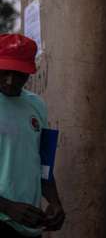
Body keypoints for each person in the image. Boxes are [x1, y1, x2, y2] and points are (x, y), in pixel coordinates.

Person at [0, 34, 65, 237]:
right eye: (5, 71)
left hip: (29, 222)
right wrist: (7, 207)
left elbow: (44, 162)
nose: (11, 80)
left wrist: (54, 202)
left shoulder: (37, 105)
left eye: (19, 74)